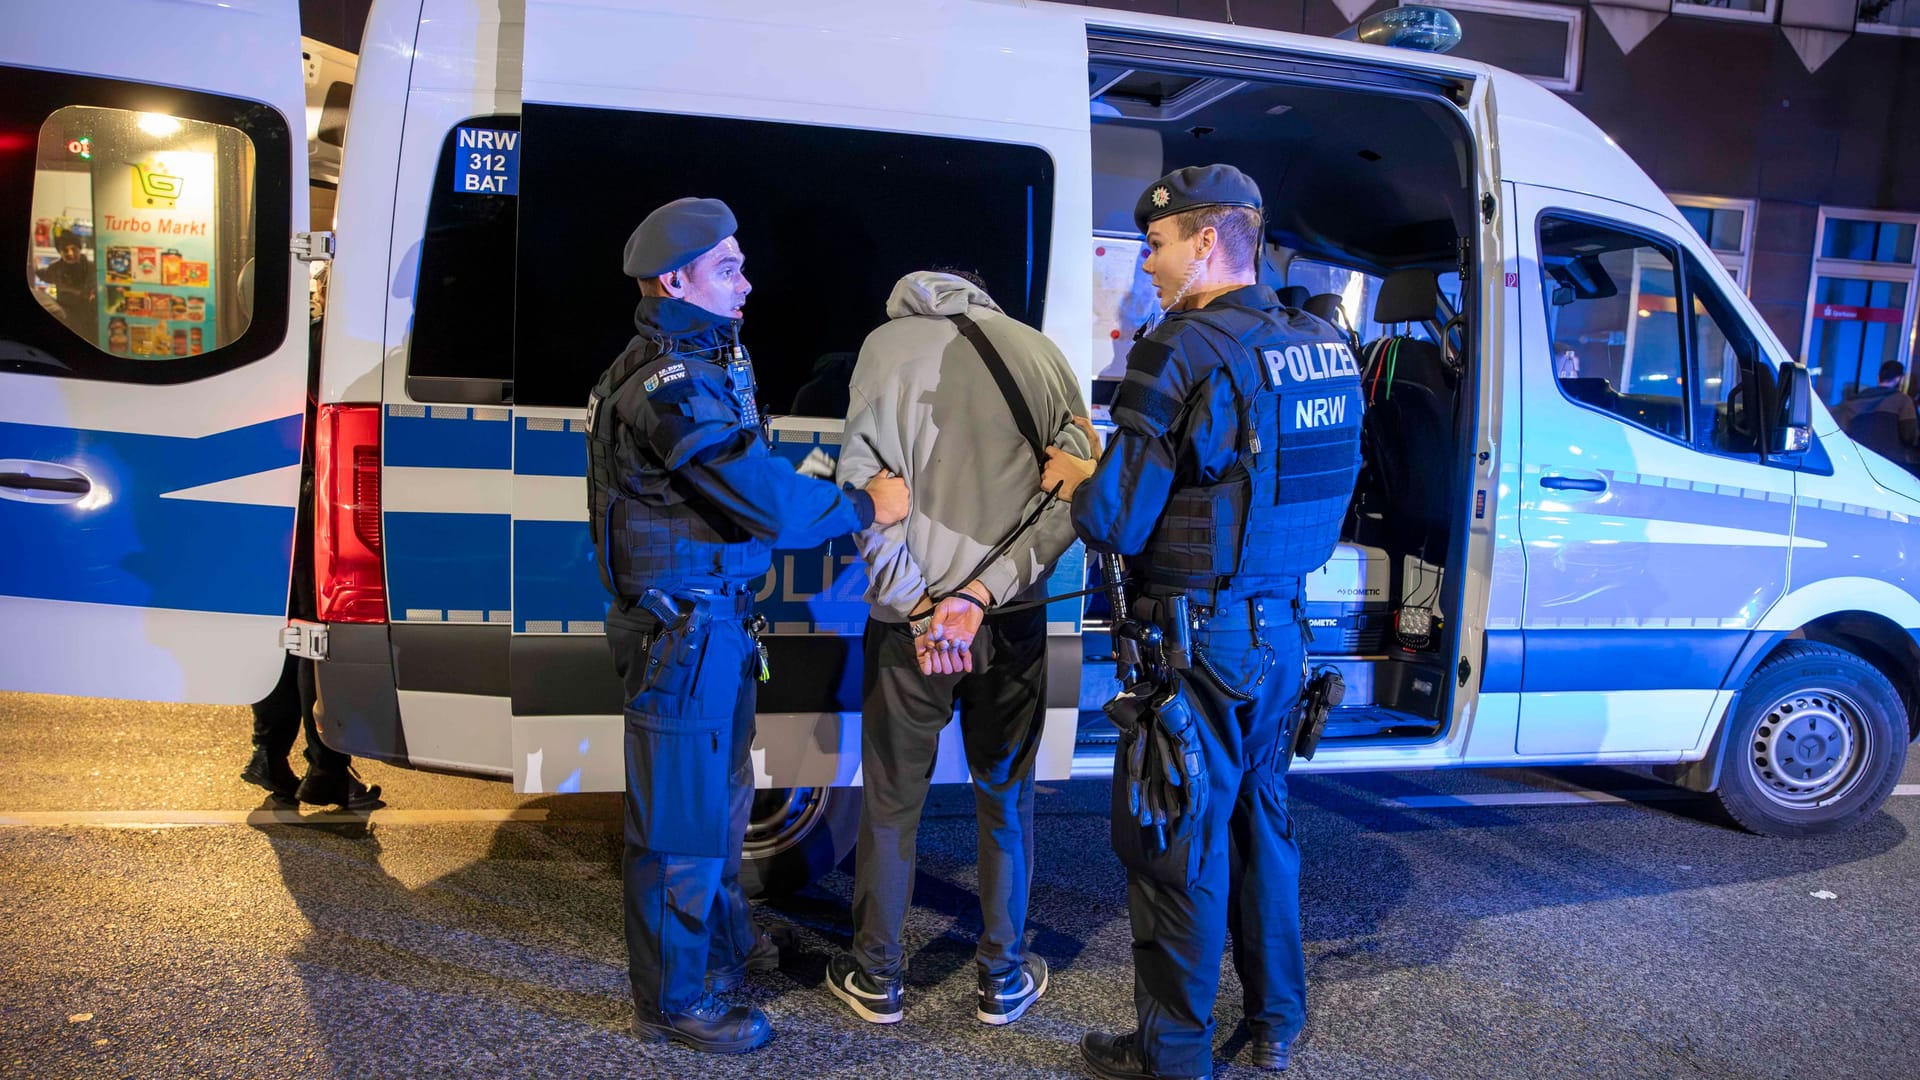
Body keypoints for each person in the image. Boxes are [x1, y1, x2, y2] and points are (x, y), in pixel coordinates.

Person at [1041, 165, 1363, 1078]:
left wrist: (1081, 481)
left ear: (1207, 242)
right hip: (1284, 633)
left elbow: (1116, 520)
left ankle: (1171, 1052)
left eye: (1157, 243)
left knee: (1175, 841)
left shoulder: (1179, 349)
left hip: (1198, 640)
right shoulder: (1320, 343)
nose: (1146, 264)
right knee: (1263, 823)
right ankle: (1275, 1022)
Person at [585, 196, 910, 1055]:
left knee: (720, 814)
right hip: (680, 636)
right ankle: (677, 1000)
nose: (746, 283)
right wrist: (862, 505)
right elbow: (758, 495)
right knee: (680, 829)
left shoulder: (705, 358)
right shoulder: (668, 380)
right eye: (726, 268)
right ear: (673, 280)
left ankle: (720, 954)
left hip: (713, 628)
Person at [826, 270, 1092, 1027]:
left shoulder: (882, 349)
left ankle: (877, 977)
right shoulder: (1039, 353)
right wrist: (980, 599)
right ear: (983, 295)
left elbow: (862, 494)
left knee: (889, 806)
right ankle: (1002, 977)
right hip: (1009, 620)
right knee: (1005, 799)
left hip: (909, 630)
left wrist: (920, 609)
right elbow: (1072, 495)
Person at [242, 317, 382, 810]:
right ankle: (326, 767)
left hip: (270, 498)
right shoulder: (332, 336)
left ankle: (270, 753)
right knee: (315, 637)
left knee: (284, 634)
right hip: (316, 498)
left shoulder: (266, 340)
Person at [1832, 360, 1917, 468]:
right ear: (1898, 379)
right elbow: (1909, 436)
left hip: (1858, 461)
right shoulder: (1903, 401)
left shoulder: (1855, 400)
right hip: (1891, 465)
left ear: (1878, 378)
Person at [35, 231, 98, 340]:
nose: (70, 253)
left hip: (90, 319)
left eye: (73, 249)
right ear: (60, 252)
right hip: (66, 320)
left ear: (79, 249)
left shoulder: (91, 267)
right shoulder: (55, 268)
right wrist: (34, 266)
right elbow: (39, 273)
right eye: (65, 250)